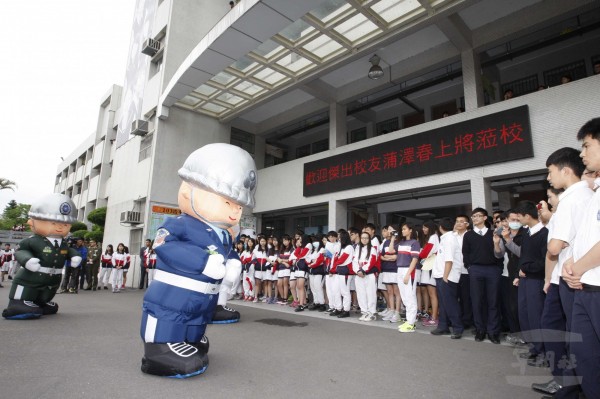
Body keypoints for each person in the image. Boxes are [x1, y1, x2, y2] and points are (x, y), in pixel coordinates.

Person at [140, 143, 256, 378]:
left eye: (238, 206)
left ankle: (190, 340)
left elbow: (226, 254)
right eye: (227, 203)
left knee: (195, 324)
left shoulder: (222, 234)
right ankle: (159, 349)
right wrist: (202, 263)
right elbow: (164, 246)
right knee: (169, 316)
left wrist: (233, 263)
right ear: (188, 192)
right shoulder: (180, 223)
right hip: (175, 294)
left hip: (204, 296)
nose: (235, 212)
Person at [532, 147, 590, 397]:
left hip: (569, 277)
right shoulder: (587, 195)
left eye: (550, 172)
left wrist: (550, 246)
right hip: (569, 276)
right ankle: (568, 383)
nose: (548, 178)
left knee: (563, 333)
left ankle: (567, 384)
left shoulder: (571, 200)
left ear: (566, 170)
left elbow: (554, 247)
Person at [562, 118, 600, 398]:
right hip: (585, 287)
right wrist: (572, 261)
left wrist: (577, 267)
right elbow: (586, 236)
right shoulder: (594, 193)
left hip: (595, 286)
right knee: (584, 356)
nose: (582, 153)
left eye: (587, 146)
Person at [2, 194, 82, 319]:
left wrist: (75, 256)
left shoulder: (63, 243)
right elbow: (21, 250)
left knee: (47, 292)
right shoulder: (34, 240)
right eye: (54, 223)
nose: (60, 227)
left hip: (52, 279)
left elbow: (68, 251)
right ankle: (18, 304)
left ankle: (41, 302)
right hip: (31, 277)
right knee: (28, 290)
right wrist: (27, 260)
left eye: (65, 225)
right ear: (32, 223)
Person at [514, 201, 548, 366]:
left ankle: (543, 352)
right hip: (525, 279)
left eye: (519, 216)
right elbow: (523, 257)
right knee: (525, 314)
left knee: (537, 316)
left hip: (536, 280)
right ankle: (534, 349)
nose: (517, 220)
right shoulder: (527, 233)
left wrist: (527, 269)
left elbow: (545, 261)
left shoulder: (544, 233)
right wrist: (519, 274)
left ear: (527, 216)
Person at [463, 207, 503, 344]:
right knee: (476, 301)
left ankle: (493, 332)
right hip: (475, 270)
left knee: (493, 302)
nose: (475, 218)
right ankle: (480, 330)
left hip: (493, 270)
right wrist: (470, 267)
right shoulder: (468, 235)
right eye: (473, 217)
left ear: (485, 218)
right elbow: (465, 253)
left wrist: (498, 268)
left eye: (478, 216)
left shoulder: (494, 233)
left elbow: (500, 253)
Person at [430, 217, 464, 339]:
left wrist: (445, 277)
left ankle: (457, 328)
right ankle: (443, 326)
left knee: (451, 304)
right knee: (444, 304)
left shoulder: (449, 239)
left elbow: (449, 260)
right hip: (442, 276)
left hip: (447, 277)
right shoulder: (446, 238)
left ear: (440, 228)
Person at [392, 222, 421, 333]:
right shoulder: (401, 242)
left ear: (410, 230)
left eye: (404, 229)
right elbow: (390, 251)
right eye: (402, 229)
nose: (402, 231)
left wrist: (408, 274)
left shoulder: (415, 243)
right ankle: (409, 321)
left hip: (409, 270)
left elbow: (414, 259)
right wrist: (393, 238)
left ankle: (411, 323)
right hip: (400, 269)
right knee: (404, 296)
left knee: (410, 296)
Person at [353, 231, 378, 321]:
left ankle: (371, 313)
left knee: (370, 294)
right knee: (361, 294)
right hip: (359, 275)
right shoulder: (357, 248)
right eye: (363, 238)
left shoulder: (373, 249)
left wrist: (363, 270)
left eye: (366, 238)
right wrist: (357, 271)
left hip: (369, 274)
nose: (364, 239)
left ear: (369, 239)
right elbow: (354, 261)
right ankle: (364, 312)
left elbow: (372, 262)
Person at [419, 221, 440, 327]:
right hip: (430, 266)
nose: (423, 229)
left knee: (433, 293)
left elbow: (425, 253)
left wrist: (419, 252)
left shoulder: (433, 237)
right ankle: (434, 316)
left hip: (432, 267)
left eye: (425, 227)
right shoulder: (434, 237)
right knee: (432, 293)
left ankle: (434, 318)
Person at [454, 215, 473, 330]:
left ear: (467, 224)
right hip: (453, 271)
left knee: (466, 297)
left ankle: (467, 320)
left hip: (466, 271)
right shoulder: (452, 236)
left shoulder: (470, 236)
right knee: (455, 296)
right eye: (457, 221)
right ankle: (457, 318)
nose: (459, 223)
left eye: (462, 221)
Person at [329, 230, 354, 318]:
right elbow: (337, 258)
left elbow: (342, 259)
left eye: (340, 236)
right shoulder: (342, 247)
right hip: (340, 271)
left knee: (345, 292)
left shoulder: (349, 247)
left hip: (346, 272)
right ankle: (338, 308)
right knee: (336, 290)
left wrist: (336, 261)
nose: (338, 238)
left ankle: (346, 310)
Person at [380, 226, 401, 322]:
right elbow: (383, 255)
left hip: (395, 270)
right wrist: (389, 257)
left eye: (389, 230)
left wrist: (389, 257)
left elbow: (396, 256)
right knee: (389, 292)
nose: (388, 231)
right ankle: (391, 310)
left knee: (396, 292)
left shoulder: (399, 242)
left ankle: (397, 312)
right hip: (386, 269)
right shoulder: (386, 242)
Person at [291, 234, 312, 311]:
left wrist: (299, 252)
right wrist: (299, 247)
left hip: (303, 268)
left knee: (301, 286)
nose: (299, 240)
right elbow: (296, 254)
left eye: (300, 238)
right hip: (298, 268)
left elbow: (302, 255)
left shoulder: (309, 245)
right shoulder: (301, 247)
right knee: (299, 287)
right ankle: (302, 302)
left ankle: (301, 304)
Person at [307, 235, 326, 311]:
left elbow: (320, 260)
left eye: (316, 241)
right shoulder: (313, 250)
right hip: (312, 272)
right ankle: (316, 302)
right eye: (313, 241)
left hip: (319, 271)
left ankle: (322, 304)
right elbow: (307, 259)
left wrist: (311, 263)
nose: (314, 243)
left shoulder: (322, 249)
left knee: (318, 287)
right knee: (313, 288)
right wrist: (312, 262)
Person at [276, 235, 292, 305]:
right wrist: (284, 262)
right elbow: (278, 259)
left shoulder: (292, 249)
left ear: (289, 241)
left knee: (285, 283)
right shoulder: (281, 249)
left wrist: (282, 260)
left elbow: (290, 259)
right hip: (281, 268)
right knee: (279, 284)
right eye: (283, 241)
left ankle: (285, 298)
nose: (284, 242)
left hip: (287, 269)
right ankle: (282, 297)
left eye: (286, 240)